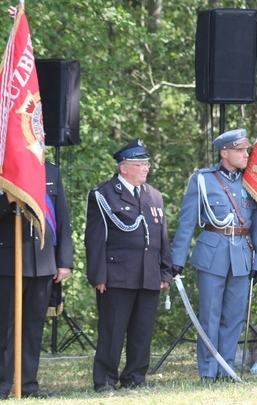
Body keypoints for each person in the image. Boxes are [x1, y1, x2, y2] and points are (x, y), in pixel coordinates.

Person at [170, 128, 257, 382]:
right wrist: (176, 260)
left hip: (242, 255)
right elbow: (187, 222)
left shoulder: (252, 181)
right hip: (212, 253)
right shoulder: (203, 179)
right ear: (224, 153)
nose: (246, 154)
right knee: (210, 316)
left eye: (246, 149)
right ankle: (208, 371)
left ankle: (227, 369)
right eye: (240, 150)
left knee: (234, 317)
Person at [0, 162, 73, 400]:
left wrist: (64, 260)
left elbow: (61, 217)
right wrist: (7, 200)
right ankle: (1, 387)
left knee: (33, 329)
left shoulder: (51, 171)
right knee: (5, 329)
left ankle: (29, 385)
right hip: (8, 261)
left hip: (42, 262)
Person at [84, 139, 172, 392]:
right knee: (112, 330)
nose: (146, 168)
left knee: (142, 331)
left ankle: (135, 377)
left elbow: (161, 237)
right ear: (124, 168)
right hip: (117, 274)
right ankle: (105, 380)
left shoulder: (153, 195)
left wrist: (165, 271)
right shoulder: (103, 194)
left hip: (149, 274)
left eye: (147, 164)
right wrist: (98, 276)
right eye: (140, 164)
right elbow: (95, 239)